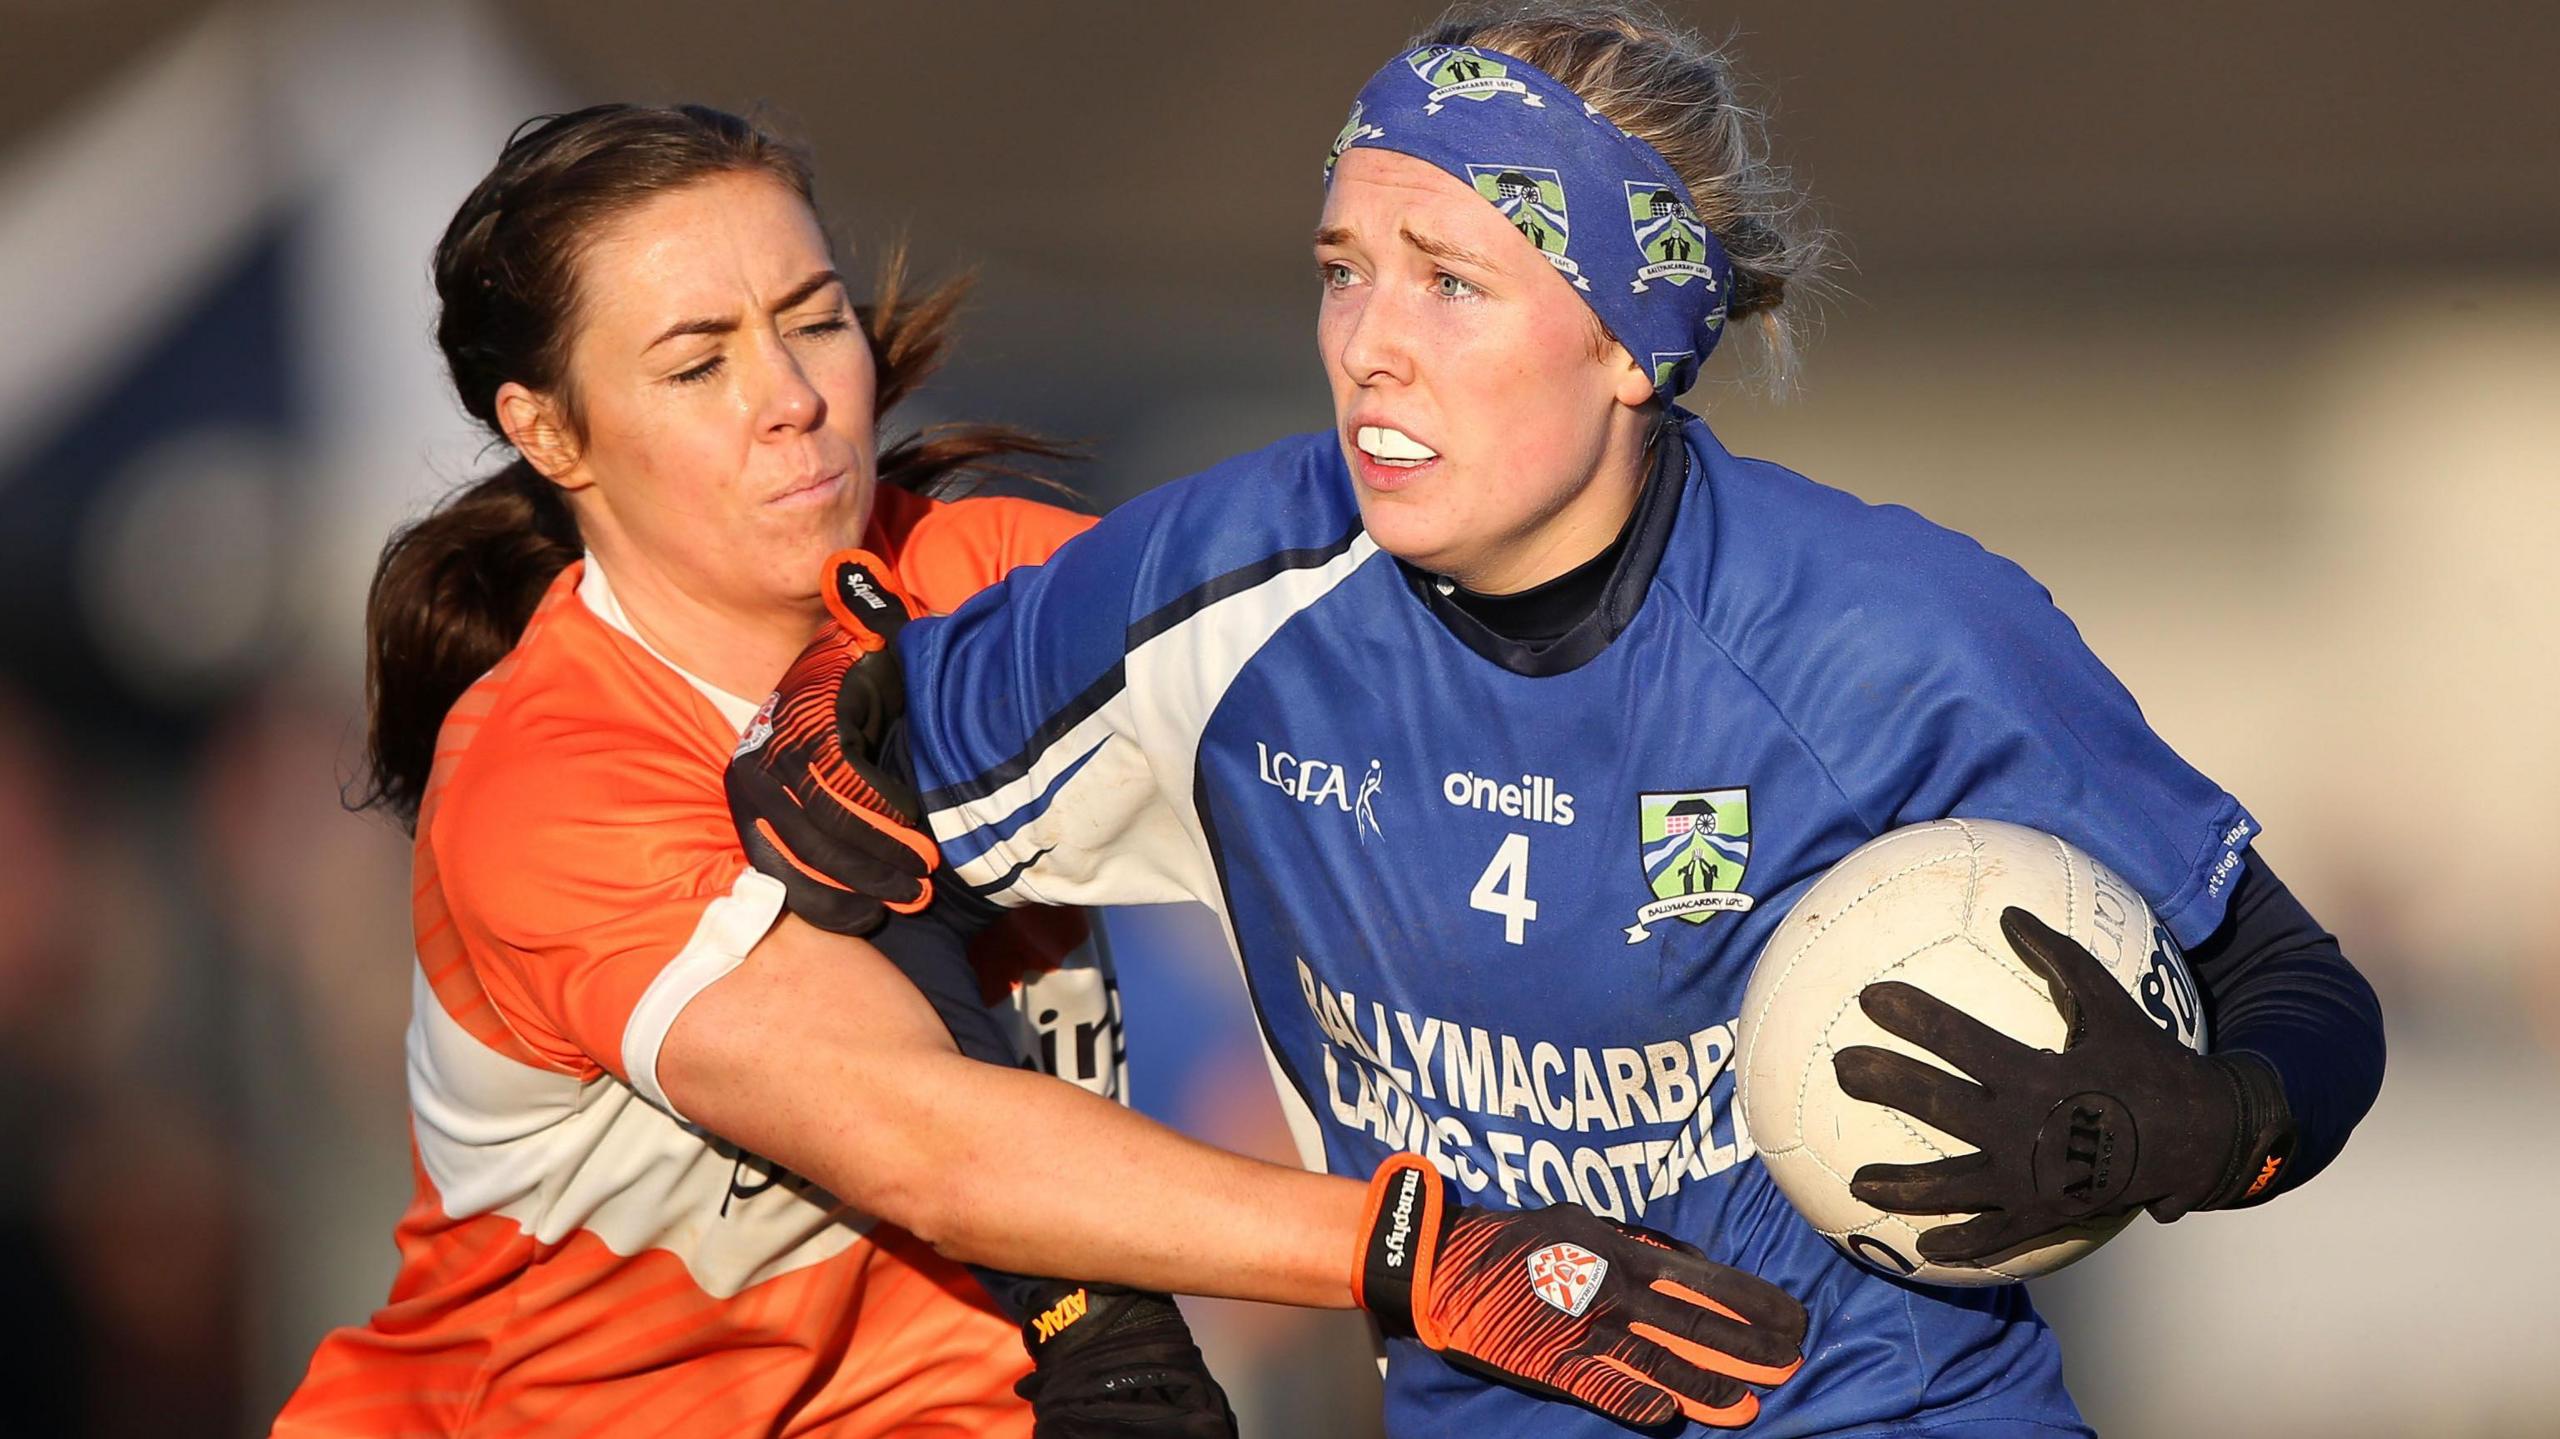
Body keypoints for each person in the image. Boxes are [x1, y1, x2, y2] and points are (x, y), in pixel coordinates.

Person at [731, 6, 2387, 1436]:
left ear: (1626, 343)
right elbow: (841, 841)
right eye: (1341, 271)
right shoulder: (1220, 579)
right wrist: (1082, 1297)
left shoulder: (1890, 634)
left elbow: (2293, 987)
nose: (1367, 346)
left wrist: (2218, 1127)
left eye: (1448, 283)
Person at [275, 103, 1804, 1438]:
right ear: (550, 433)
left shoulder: (992, 587)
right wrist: (1416, 1250)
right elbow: (922, 1135)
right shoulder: (548, 777)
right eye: (697, 364)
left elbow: (1416, 733)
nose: (793, 397)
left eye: (812, 320)